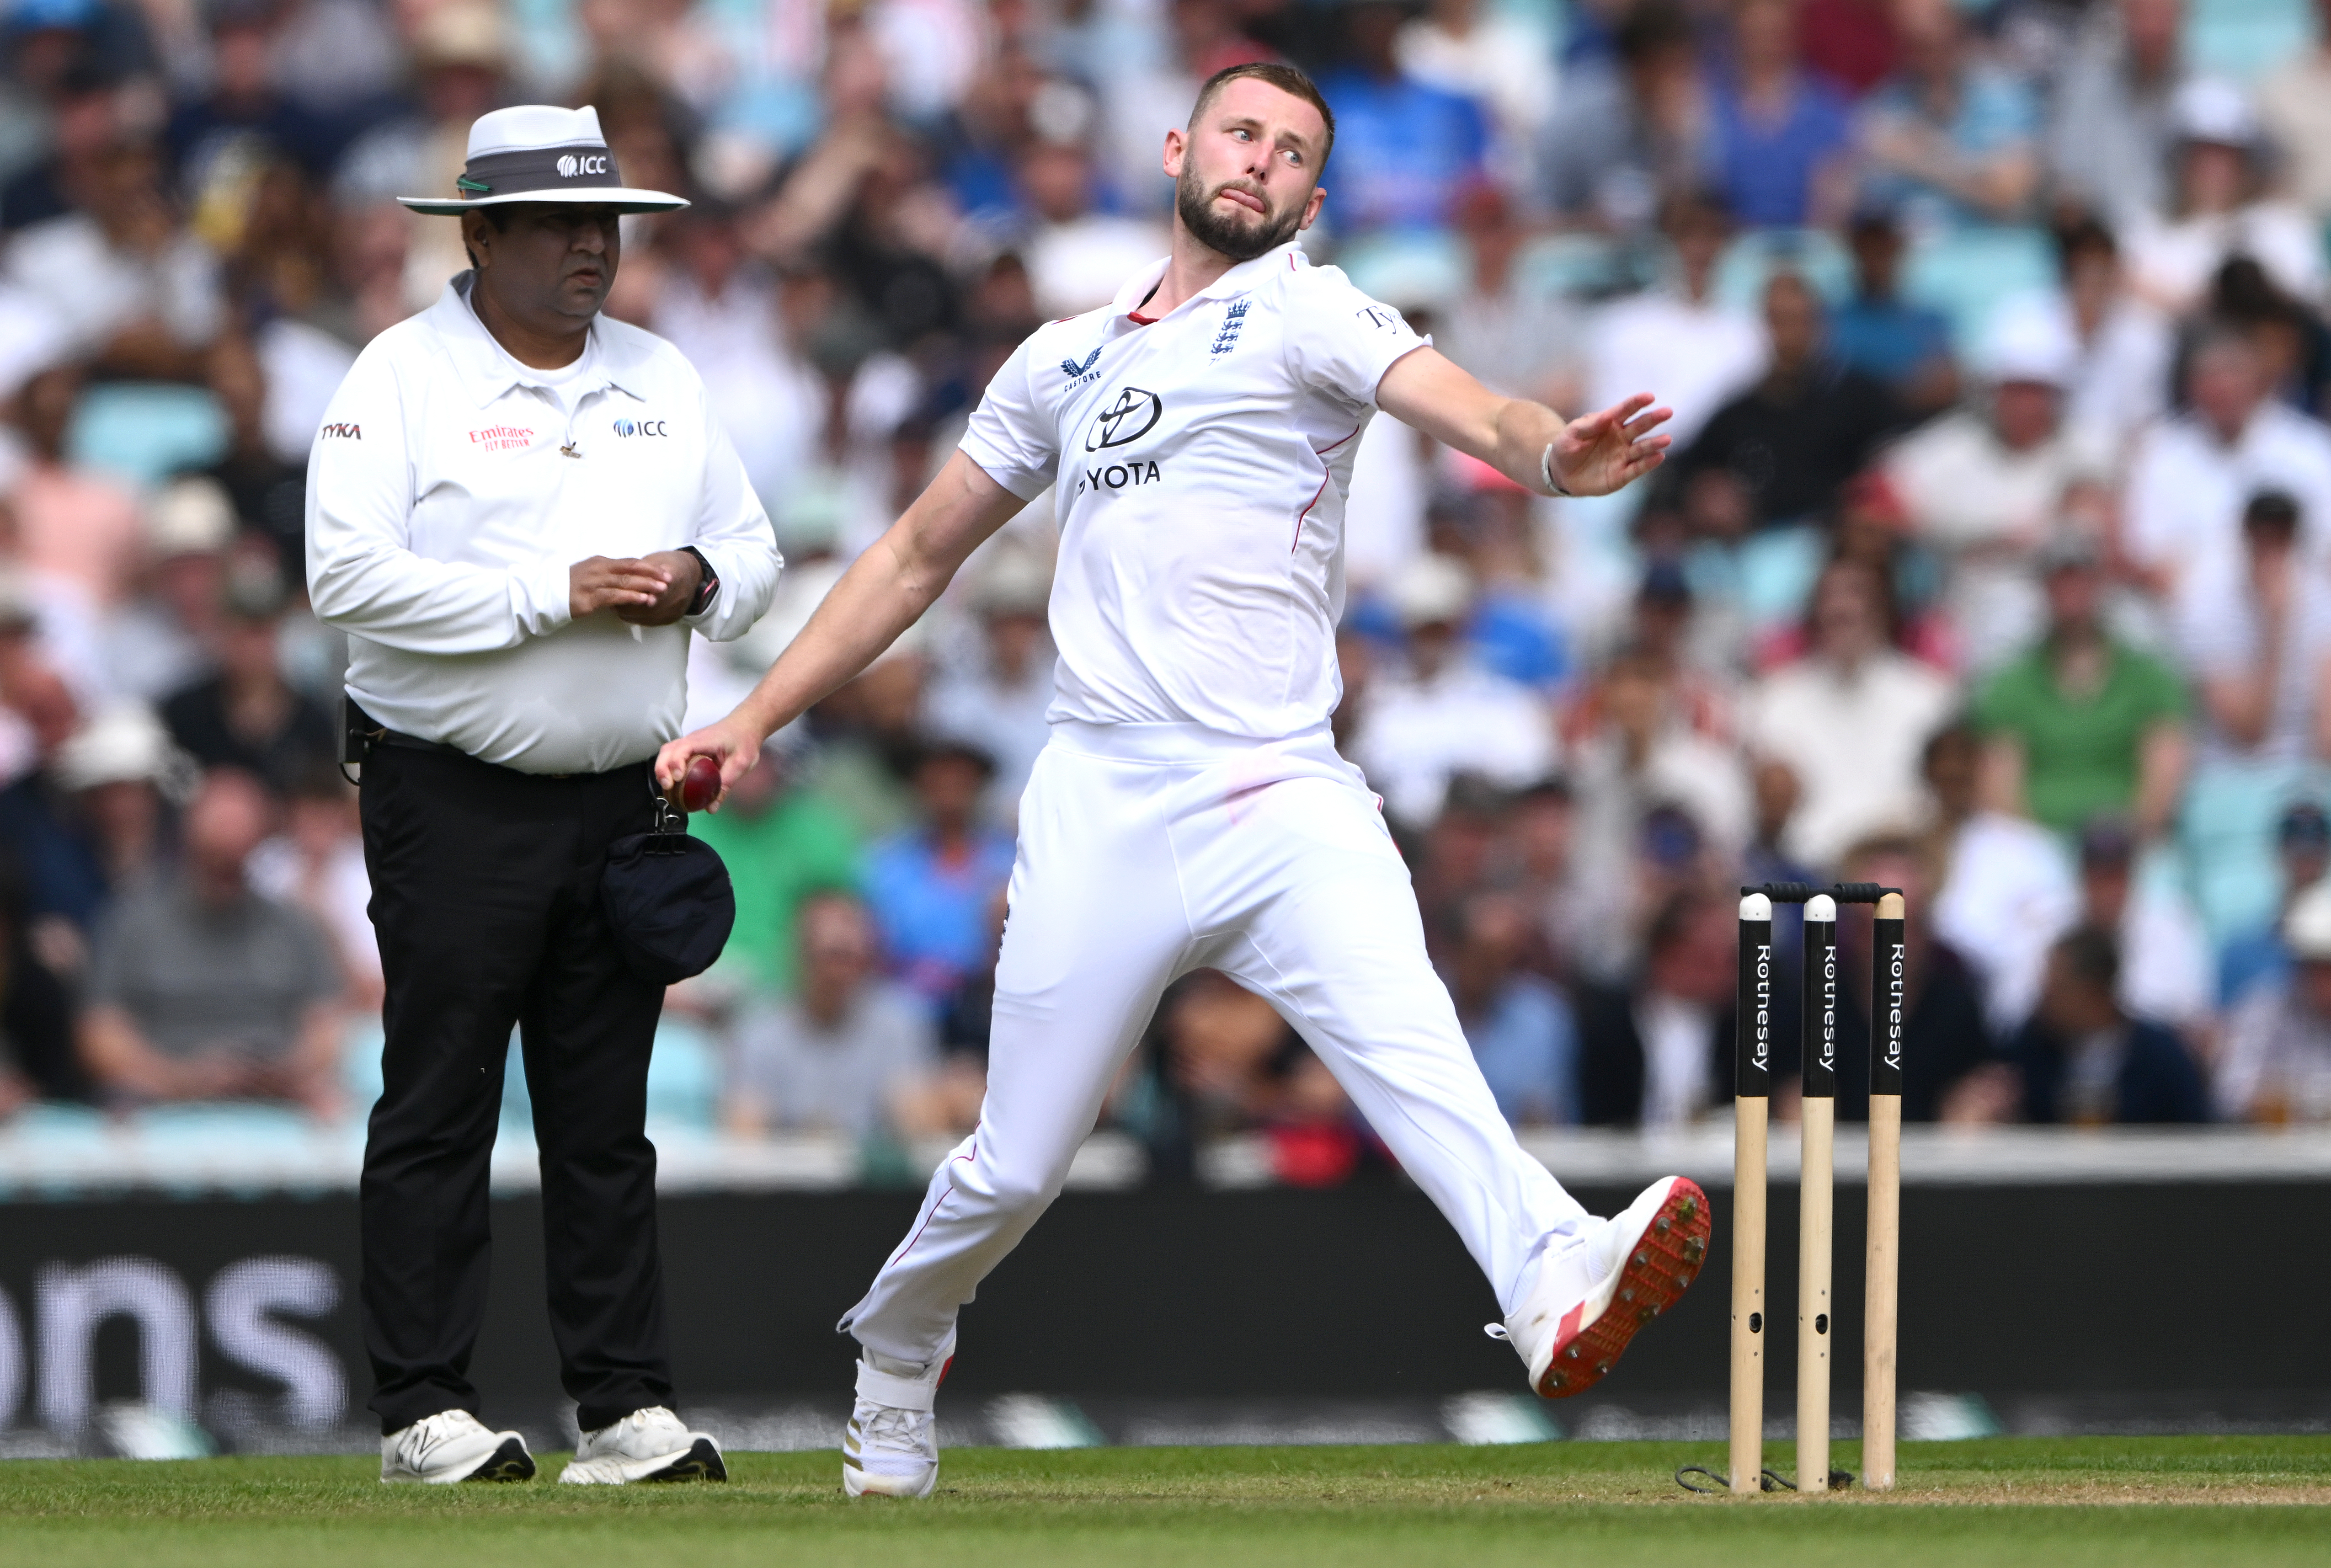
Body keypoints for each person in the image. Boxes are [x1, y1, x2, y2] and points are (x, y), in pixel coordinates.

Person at [661, 63, 1707, 1499]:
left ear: (1312, 200)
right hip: (1105, 800)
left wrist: (1545, 456)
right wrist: (754, 717)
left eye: (1290, 154)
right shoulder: (1057, 360)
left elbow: (1470, 408)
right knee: (1015, 1168)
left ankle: (1545, 1273)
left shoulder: (1310, 309)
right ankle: (900, 1342)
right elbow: (912, 555)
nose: (1259, 164)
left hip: (1281, 787)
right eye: (1240, 135)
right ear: (1177, 148)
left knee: (1412, 1044)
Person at [306, 106, 780, 1487]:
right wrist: (551, 593)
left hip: (619, 805)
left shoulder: (660, 376)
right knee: (441, 1099)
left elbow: (751, 558)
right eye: (565, 224)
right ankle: (421, 1409)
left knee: (600, 1118)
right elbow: (345, 578)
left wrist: (691, 579)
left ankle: (623, 1407)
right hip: (448, 792)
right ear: (481, 234)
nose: (594, 248)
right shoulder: (398, 376)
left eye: (607, 224)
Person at [78, 769, 344, 1114]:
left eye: (237, 858)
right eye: (215, 857)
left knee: (339, 1106)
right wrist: (182, 1080)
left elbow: (327, 1028)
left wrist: (288, 1074)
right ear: (187, 840)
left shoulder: (295, 926)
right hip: (162, 1096)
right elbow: (100, 1035)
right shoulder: (131, 922)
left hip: (275, 1095)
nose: (226, 871)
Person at [1972, 533, 2189, 841]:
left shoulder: (2148, 677)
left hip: (2126, 850)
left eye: (2081, 579)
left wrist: (2124, 847)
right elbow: (2000, 790)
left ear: (2101, 585)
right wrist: (2040, 853)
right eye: (2059, 581)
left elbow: (2163, 777)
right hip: (2036, 847)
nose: (2071, 592)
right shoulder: (2010, 684)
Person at [725, 891, 945, 1142]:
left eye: (848, 956)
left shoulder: (901, 1023)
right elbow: (743, 1133)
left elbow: (920, 1127)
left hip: (875, 1178)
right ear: (799, 955)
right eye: (827, 955)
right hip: (785, 1177)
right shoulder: (759, 1029)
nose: (836, 973)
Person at [2005, 924, 2208, 1124]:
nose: (2043, 1002)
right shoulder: (2031, 1049)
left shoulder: (2161, 1058)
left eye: (2057, 992)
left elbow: (2194, 1133)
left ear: (2096, 995)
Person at [2215, 876, 2331, 1122]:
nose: (2326, 981)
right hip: (2280, 1156)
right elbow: (2231, 1094)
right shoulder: (2264, 1010)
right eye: (2318, 966)